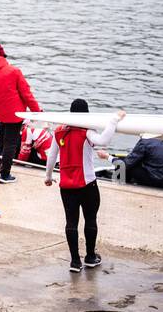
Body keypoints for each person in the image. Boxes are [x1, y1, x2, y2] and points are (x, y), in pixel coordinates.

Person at [44, 101, 120, 272]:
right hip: (87, 184)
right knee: (90, 219)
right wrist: (114, 120)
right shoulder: (87, 132)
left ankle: (75, 262)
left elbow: (51, 157)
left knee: (71, 222)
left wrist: (48, 177)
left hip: (66, 185)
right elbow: (104, 140)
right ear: (86, 115)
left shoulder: (59, 132)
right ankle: (91, 257)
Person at [0, 42, 42, 184]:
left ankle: (0, 166)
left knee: (3, 139)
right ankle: (5, 175)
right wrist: (37, 112)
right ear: (3, 55)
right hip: (15, 114)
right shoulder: (14, 71)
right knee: (11, 144)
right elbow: (27, 95)